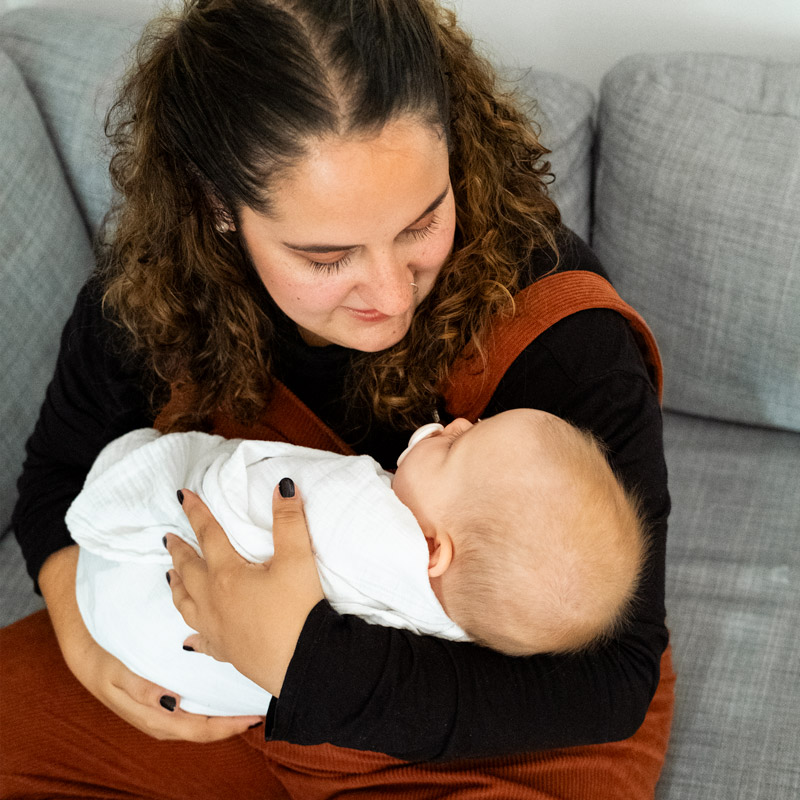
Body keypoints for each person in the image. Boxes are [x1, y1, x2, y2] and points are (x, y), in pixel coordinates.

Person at [1, 0, 674, 797]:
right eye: (327, 257)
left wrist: (302, 657)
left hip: (478, 721)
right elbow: (55, 481)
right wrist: (86, 643)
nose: (390, 295)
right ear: (218, 206)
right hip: (216, 681)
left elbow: (614, 677)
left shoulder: (560, 330)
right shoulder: (151, 299)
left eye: (422, 223)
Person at [69, 409, 647, 716]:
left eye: (456, 444)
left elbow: (236, 485)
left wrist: (189, 466)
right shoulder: (467, 619)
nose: (460, 421)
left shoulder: (365, 515)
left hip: (141, 604)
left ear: (433, 547)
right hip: (190, 689)